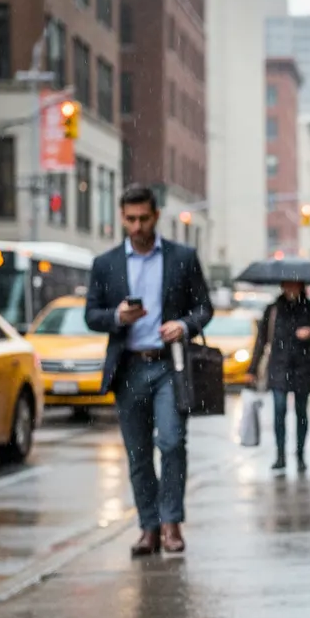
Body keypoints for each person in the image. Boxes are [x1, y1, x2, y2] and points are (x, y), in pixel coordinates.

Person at [86, 183, 214, 557]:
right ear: (122, 219)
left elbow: (204, 307)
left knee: (172, 442)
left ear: (156, 216)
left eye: (144, 218)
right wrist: (116, 316)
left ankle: (172, 522)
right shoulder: (105, 264)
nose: (137, 226)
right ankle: (149, 528)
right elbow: (91, 314)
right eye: (130, 219)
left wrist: (185, 326)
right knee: (138, 453)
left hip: (169, 366)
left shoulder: (182, 257)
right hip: (129, 367)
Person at [244, 282, 310, 473]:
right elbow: (261, 340)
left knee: (301, 411)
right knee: (279, 410)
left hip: (304, 367)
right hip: (279, 366)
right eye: (287, 286)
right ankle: (280, 455)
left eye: (294, 286)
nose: (291, 289)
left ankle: (300, 455)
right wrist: (252, 369)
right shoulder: (273, 309)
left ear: (301, 287)